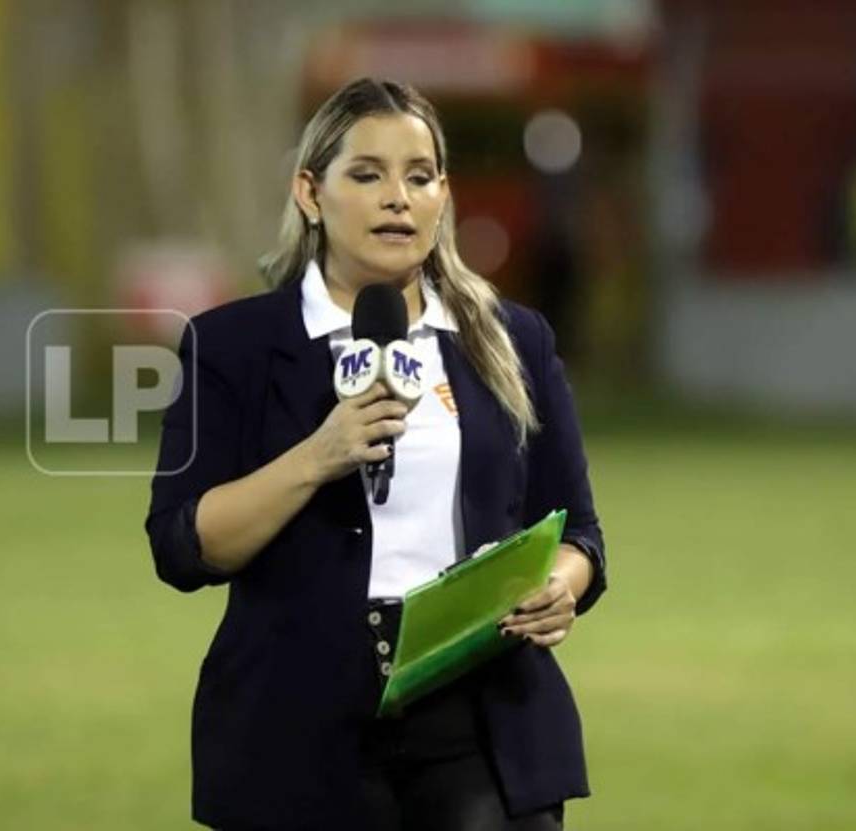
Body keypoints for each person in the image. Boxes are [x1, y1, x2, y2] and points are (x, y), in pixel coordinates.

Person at [145, 77, 607, 831]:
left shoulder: (514, 339)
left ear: (442, 196)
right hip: (296, 733)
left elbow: (579, 531)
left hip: (482, 721)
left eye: (419, 177)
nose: (398, 198)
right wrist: (317, 456)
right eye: (366, 175)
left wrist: (559, 585)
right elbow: (181, 546)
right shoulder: (233, 346)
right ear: (310, 192)